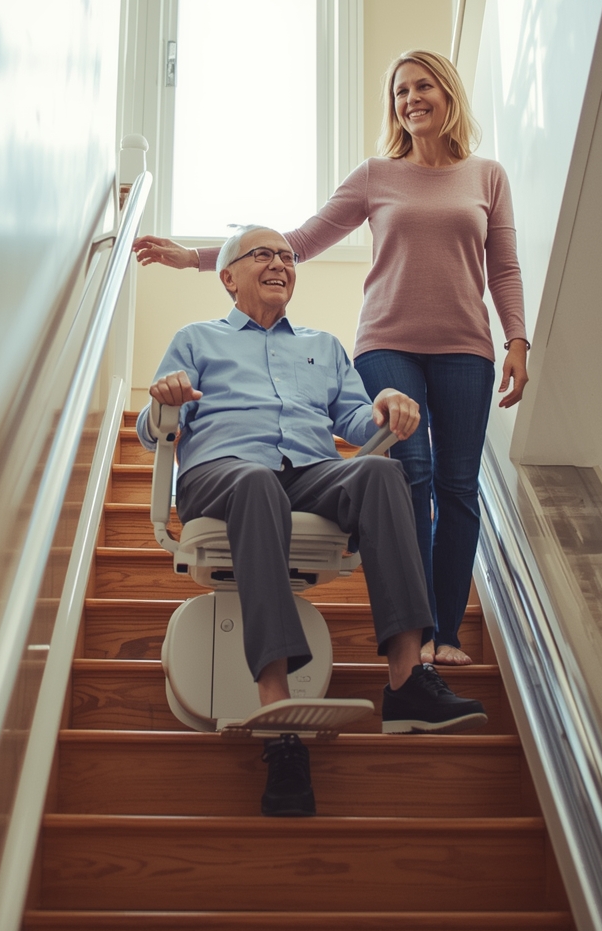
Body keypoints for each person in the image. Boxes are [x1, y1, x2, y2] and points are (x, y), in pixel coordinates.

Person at [135, 48, 528, 667]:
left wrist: (517, 340)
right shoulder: (377, 175)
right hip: (388, 338)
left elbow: (503, 265)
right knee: (411, 471)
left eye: (424, 86)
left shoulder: (487, 177)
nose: (411, 99)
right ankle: (412, 640)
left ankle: (443, 636)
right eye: (400, 92)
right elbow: (294, 241)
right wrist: (196, 259)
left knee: (456, 487)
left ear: (448, 95)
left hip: (465, 347)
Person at [137, 224, 489, 817]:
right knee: (255, 483)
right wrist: (161, 400)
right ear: (227, 278)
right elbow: (155, 433)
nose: (280, 263)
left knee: (382, 474)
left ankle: (407, 679)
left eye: (288, 256)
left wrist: (385, 409)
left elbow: (355, 421)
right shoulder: (196, 339)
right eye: (263, 255)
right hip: (223, 474)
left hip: (307, 473)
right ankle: (275, 704)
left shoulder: (324, 347)